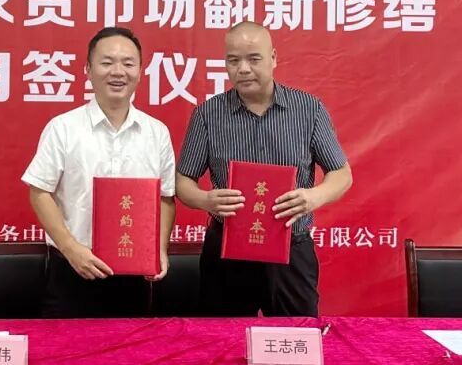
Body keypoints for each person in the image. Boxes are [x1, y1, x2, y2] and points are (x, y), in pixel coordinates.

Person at [175, 21, 353, 316]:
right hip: (227, 252)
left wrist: (313, 197)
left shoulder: (308, 110)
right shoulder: (207, 115)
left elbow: (341, 174)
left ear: (273, 58)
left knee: (295, 337)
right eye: (233, 60)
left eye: (253, 59)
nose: (243, 69)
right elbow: (183, 180)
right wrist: (205, 200)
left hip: (291, 249)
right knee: (224, 338)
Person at [21, 26, 176, 318]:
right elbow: (39, 191)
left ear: (140, 72)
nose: (118, 72)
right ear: (88, 70)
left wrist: (159, 249)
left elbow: (166, 197)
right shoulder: (63, 128)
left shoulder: (157, 133)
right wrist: (71, 249)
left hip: (135, 275)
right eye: (107, 62)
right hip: (72, 270)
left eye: (128, 63)